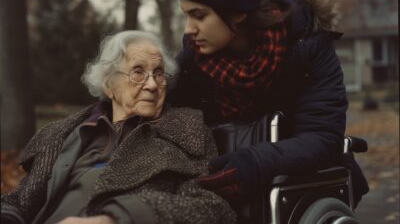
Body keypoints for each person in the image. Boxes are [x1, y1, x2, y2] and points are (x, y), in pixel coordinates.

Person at [170, 0, 368, 215]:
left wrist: (256, 161)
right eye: (186, 15)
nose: (188, 29)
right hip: (222, 186)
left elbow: (323, 136)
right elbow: (162, 114)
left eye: (199, 15)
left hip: (299, 183)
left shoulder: (306, 43)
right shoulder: (194, 57)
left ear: (238, 12)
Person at [1, 31, 236, 224]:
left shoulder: (187, 133)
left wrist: (116, 219)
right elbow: (19, 201)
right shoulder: (67, 134)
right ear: (109, 84)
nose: (153, 84)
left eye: (158, 73)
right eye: (138, 72)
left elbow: (211, 208)